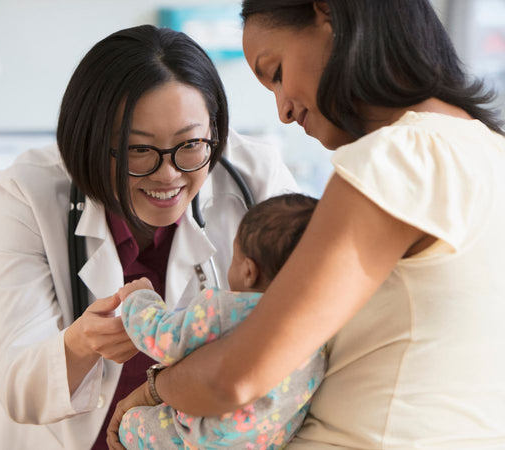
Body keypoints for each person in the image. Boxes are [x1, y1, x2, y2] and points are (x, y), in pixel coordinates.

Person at [106, 1, 505, 449]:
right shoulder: (488, 150)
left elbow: (234, 379)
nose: (283, 111)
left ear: (327, 14)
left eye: (275, 72)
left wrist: (151, 392)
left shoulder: (396, 159)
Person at [0, 25, 300, 450]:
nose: (169, 174)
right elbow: (17, 385)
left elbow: (310, 325)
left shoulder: (256, 175)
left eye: (191, 143)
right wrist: (81, 344)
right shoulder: (28, 191)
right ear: (91, 141)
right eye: (139, 150)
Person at [116, 194, 326, 449]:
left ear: (249, 271)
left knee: (130, 424)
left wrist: (139, 297)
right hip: (264, 442)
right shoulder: (318, 329)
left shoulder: (224, 309)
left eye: (235, 256)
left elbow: (162, 337)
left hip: (201, 440)